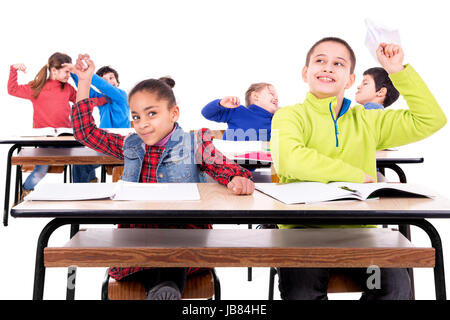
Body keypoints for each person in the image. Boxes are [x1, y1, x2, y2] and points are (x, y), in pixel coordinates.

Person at [270, 37, 446, 300]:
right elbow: (291, 160)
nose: (328, 68)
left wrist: (397, 71)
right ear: (306, 73)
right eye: (320, 61)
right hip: (303, 233)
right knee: (302, 291)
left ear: (350, 80)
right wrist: (355, 175)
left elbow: (431, 120)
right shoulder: (290, 116)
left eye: (338, 64)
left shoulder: (368, 120)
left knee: (393, 285)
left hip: (360, 235)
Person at [71, 53, 254, 300]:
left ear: (174, 113)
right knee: (146, 257)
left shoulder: (194, 143)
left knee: (173, 254)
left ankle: (164, 290)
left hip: (184, 236)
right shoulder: (131, 144)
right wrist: (84, 82)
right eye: (135, 116)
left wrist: (235, 179)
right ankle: (163, 290)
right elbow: (85, 133)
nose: (142, 124)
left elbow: (226, 168)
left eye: (151, 114)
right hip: (137, 237)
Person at [7, 52, 107, 198]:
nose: (69, 75)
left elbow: (82, 101)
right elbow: (12, 90)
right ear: (54, 71)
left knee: (88, 153)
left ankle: (89, 180)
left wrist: (103, 100)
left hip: (66, 137)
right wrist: (13, 69)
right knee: (41, 170)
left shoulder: (67, 88)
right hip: (46, 140)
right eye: (66, 72)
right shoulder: (37, 88)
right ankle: (24, 191)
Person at [71, 65, 130, 183]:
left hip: (121, 145)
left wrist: (88, 74)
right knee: (80, 163)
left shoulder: (122, 96)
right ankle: (87, 187)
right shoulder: (101, 99)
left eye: (111, 78)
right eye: (104, 79)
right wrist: (73, 72)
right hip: (105, 142)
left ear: (117, 82)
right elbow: (84, 85)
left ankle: (89, 184)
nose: (109, 82)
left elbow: (105, 87)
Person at [201, 83, 279, 141]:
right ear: (256, 96)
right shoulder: (238, 111)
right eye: (272, 94)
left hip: (260, 161)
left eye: (277, 97)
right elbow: (207, 113)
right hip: (229, 158)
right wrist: (220, 104)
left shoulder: (276, 121)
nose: (276, 98)